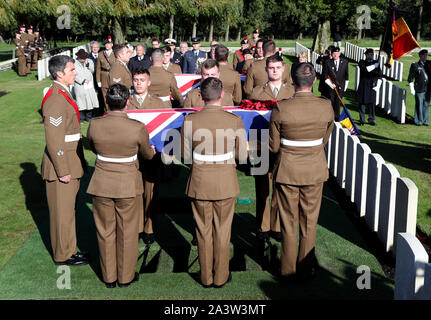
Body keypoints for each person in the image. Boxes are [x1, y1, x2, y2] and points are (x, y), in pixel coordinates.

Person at [180, 77, 248, 288]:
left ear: (200, 96)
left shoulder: (190, 120)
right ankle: (220, 277)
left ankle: (206, 278)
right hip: (225, 181)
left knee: (203, 231)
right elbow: (243, 156)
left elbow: (184, 155)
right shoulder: (234, 120)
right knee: (223, 230)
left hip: (200, 181)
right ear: (221, 96)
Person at [269, 63, 334, 281]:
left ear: (292, 81)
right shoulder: (326, 106)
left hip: (288, 170)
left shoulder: (281, 108)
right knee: (309, 221)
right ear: (314, 81)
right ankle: (306, 269)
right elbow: (325, 139)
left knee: (288, 221)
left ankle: (288, 270)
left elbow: (274, 147)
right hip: (314, 169)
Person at [86, 84, 155, 288]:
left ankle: (109, 277)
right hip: (127, 185)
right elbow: (147, 154)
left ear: (107, 102)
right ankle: (125, 277)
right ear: (127, 102)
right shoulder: (136, 127)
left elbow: (91, 146)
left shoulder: (95, 124)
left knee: (105, 231)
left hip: (101, 184)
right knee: (127, 231)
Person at [40, 55, 88, 267]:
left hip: (71, 159)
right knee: (62, 213)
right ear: (59, 73)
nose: (75, 72)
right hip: (63, 163)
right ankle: (63, 254)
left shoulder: (62, 94)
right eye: (71, 69)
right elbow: (54, 139)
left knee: (68, 211)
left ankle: (69, 248)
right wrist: (62, 169)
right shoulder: (55, 99)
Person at [249, 54, 294, 242]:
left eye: (277, 67)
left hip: (284, 147)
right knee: (262, 189)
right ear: (266, 70)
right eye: (271, 68)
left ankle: (276, 226)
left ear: (283, 69)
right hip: (261, 146)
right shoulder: (256, 93)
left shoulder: (292, 92)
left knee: (281, 188)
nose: (274, 71)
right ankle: (263, 226)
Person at [128, 68, 165, 244]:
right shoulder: (126, 103)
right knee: (134, 194)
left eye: (142, 80)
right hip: (131, 156)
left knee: (150, 194)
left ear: (149, 82)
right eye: (136, 80)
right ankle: (136, 228)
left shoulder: (159, 103)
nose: (139, 83)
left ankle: (149, 228)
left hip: (152, 156)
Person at [320, 47, 349, 120]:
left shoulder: (345, 62)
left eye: (337, 53)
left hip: (341, 87)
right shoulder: (327, 62)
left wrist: (345, 86)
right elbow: (325, 76)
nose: (336, 55)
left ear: (339, 54)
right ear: (331, 54)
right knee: (332, 102)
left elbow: (346, 75)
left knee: (338, 103)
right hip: (331, 87)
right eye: (334, 54)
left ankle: (337, 118)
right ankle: (330, 117)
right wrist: (330, 84)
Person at [357, 48, 382, 126]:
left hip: (372, 85)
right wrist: (375, 65)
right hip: (364, 85)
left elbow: (380, 75)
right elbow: (365, 70)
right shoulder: (362, 62)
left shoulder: (376, 63)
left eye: (371, 54)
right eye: (368, 54)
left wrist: (378, 85)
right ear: (366, 55)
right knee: (362, 104)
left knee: (371, 104)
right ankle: (362, 120)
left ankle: (371, 119)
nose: (370, 56)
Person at [73, 49, 99, 122]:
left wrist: (88, 65)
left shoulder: (89, 61)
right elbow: (74, 75)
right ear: (78, 57)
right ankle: (81, 118)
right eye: (82, 58)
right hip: (80, 85)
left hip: (89, 85)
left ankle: (88, 117)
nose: (83, 60)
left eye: (84, 58)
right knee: (81, 102)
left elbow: (92, 70)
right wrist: (82, 80)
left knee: (90, 101)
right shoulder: (74, 63)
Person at [408, 49, 431, 126]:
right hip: (419, 88)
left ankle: (425, 121)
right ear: (420, 56)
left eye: (426, 55)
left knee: (426, 104)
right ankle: (418, 121)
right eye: (424, 55)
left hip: (428, 88)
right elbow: (410, 77)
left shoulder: (429, 63)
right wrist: (412, 88)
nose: (425, 56)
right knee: (419, 104)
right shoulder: (415, 65)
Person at [96, 36, 116, 110]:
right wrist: (98, 80)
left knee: (113, 94)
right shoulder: (101, 54)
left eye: (109, 44)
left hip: (113, 76)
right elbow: (98, 68)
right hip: (103, 76)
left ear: (112, 44)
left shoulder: (116, 54)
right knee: (105, 96)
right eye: (106, 44)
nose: (107, 45)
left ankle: (114, 110)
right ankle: (108, 111)